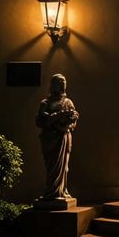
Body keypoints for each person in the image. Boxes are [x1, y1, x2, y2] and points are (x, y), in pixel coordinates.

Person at [36, 72, 79, 205]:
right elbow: (39, 121)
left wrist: (70, 122)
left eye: (63, 83)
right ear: (53, 85)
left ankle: (62, 190)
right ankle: (51, 192)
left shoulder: (68, 102)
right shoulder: (46, 103)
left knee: (64, 166)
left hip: (64, 137)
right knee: (52, 166)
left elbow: (74, 120)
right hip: (50, 140)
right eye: (59, 83)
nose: (62, 85)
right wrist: (55, 117)